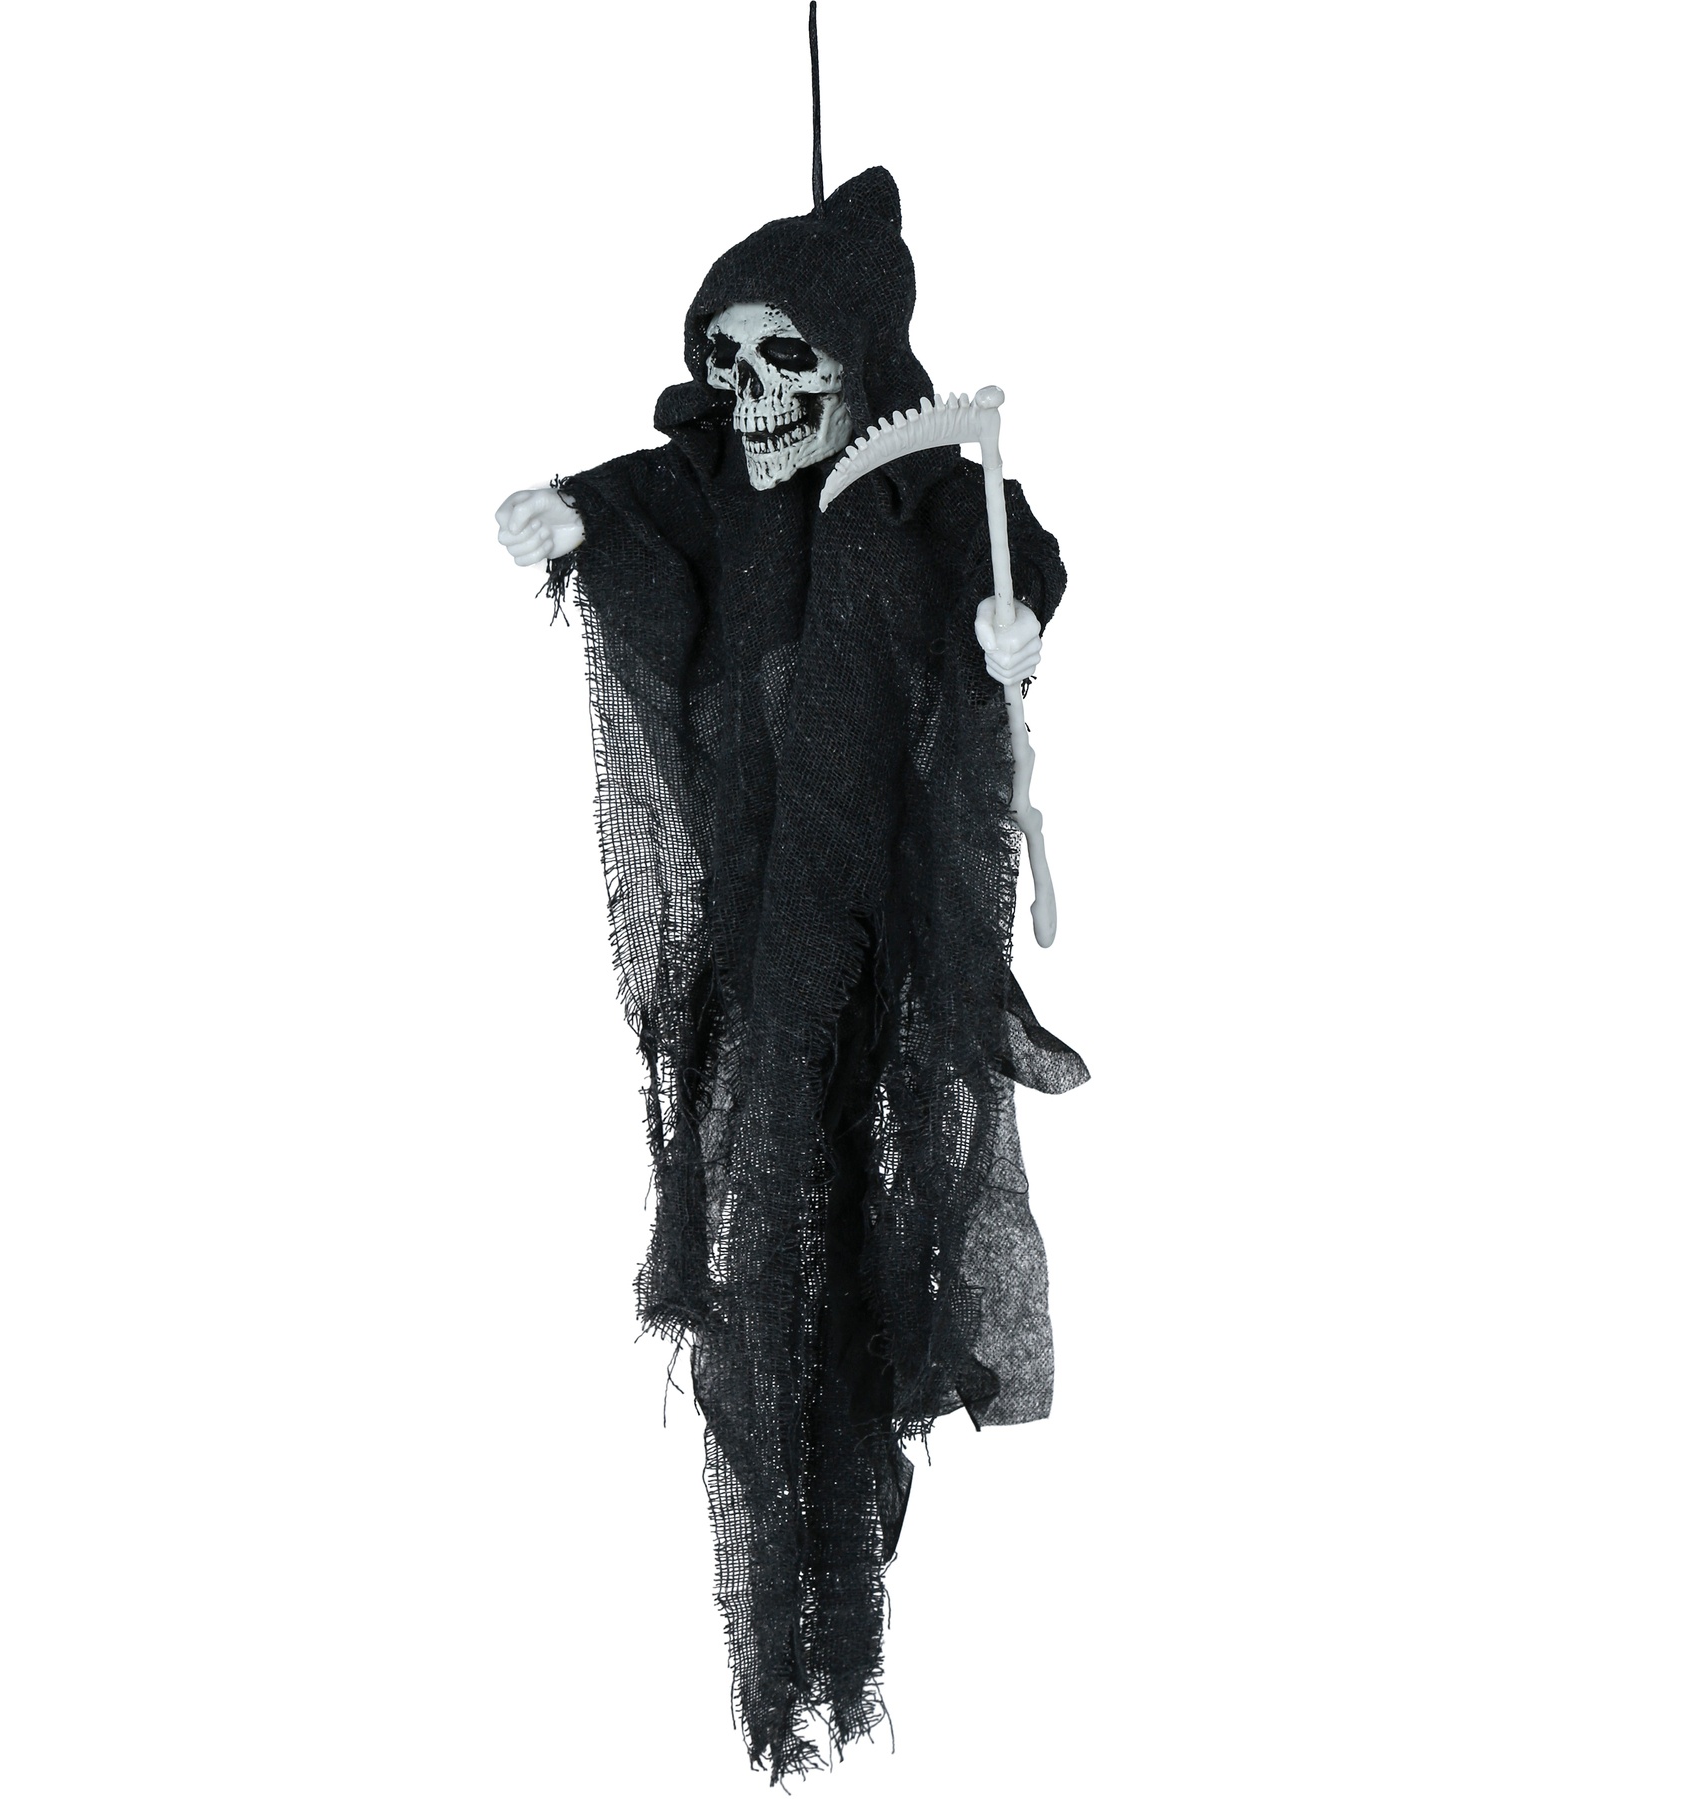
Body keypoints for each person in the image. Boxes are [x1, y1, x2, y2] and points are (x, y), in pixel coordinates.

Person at [498, 166, 1085, 1779]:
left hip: (881, 925)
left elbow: (1017, 562)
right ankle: (793, 1614)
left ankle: (838, 1556)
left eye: (784, 356)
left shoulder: (920, 485)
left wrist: (1011, 624)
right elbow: (632, 503)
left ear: (857, 357)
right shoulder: (713, 474)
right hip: (755, 927)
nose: (748, 390)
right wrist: (564, 517)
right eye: (725, 355)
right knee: (767, 1218)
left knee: (865, 1202)